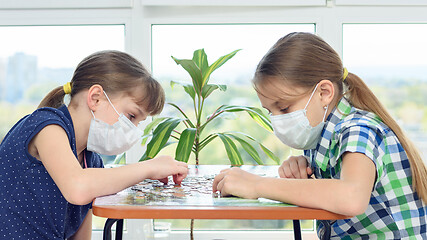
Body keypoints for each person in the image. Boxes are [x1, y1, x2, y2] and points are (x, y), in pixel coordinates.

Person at [212, 32, 427, 239]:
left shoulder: (357, 130)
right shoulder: (321, 133)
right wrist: (304, 169)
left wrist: (257, 185)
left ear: (324, 93)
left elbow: (351, 197)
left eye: (284, 108)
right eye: (270, 111)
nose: (277, 120)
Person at [0, 50, 188, 240]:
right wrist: (150, 167)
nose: (134, 129)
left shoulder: (91, 162)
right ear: (95, 97)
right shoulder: (47, 126)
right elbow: (77, 188)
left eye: (139, 122)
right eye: (131, 116)